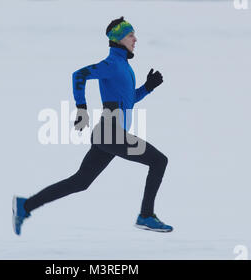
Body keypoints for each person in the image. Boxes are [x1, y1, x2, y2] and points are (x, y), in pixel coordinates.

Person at [13, 17, 173, 235]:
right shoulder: (111, 64)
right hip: (110, 133)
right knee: (159, 161)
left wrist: (147, 87)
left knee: (80, 182)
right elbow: (78, 75)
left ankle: (25, 206)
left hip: (109, 134)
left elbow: (128, 100)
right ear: (118, 39)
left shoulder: (124, 67)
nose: (135, 39)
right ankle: (146, 215)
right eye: (130, 35)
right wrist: (81, 108)